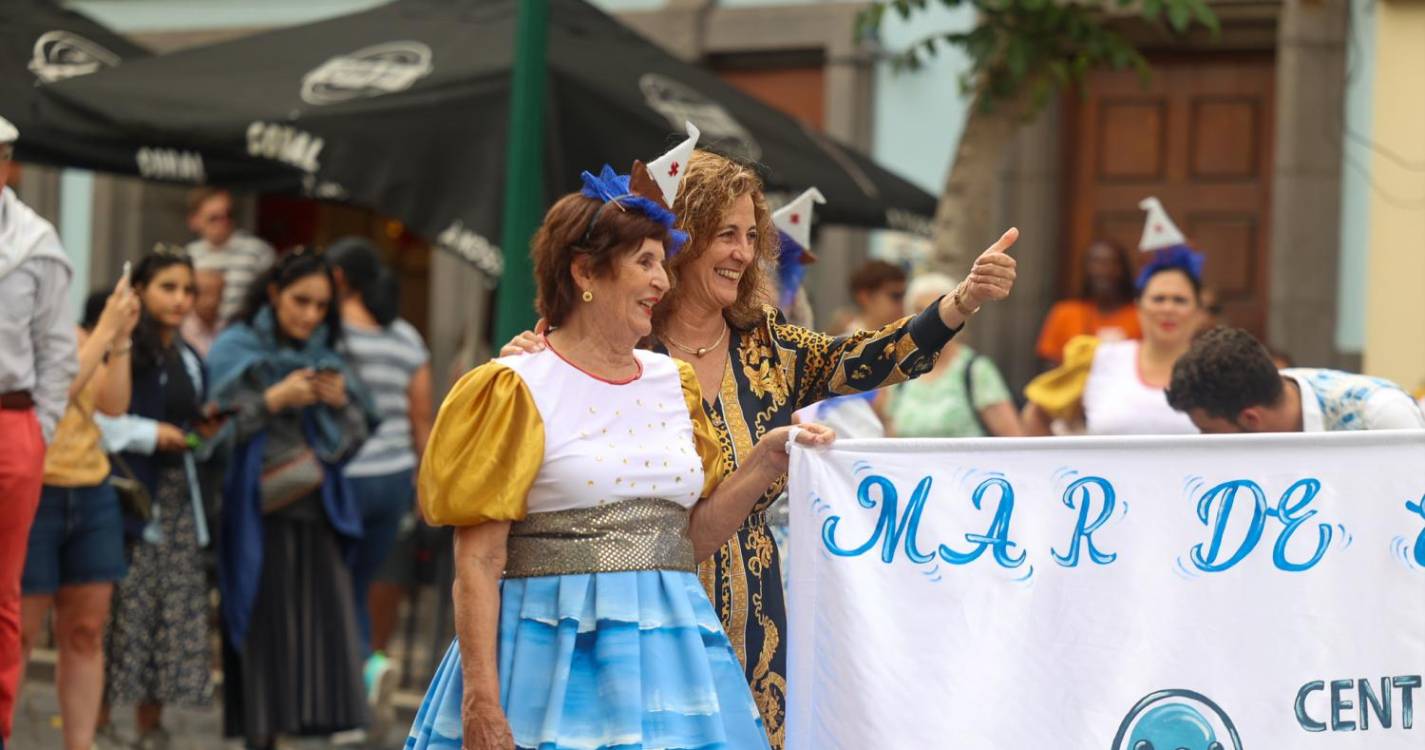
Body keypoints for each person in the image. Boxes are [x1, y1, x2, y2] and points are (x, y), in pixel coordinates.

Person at [503, 147, 1021, 748]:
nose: (744, 253)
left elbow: (864, 357)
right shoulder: (623, 342)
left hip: (756, 622)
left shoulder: (768, 345)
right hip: (638, 613)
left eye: (752, 236)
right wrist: (531, 357)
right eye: (726, 234)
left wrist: (961, 302)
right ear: (681, 237)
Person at [406, 149, 835, 750]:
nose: (664, 280)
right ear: (585, 273)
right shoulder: (513, 386)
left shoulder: (672, 383)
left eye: (664, 262)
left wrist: (765, 458)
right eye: (646, 262)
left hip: (671, 667)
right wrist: (481, 698)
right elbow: (477, 561)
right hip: (548, 667)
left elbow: (688, 542)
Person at [208, 250, 378, 750]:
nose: (310, 315)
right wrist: (271, 401)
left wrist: (341, 403)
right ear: (273, 293)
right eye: (300, 300)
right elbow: (208, 436)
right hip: (255, 517)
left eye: (321, 306)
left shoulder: (328, 355)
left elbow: (351, 439)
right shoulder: (235, 348)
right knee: (263, 643)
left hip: (318, 515)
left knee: (316, 649)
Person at [100, 251, 221, 750]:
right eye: (168, 287)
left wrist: (200, 429)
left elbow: (188, 418)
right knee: (118, 615)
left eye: (188, 290)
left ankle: (151, 727)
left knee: (167, 615)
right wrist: (154, 434)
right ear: (141, 291)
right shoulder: (122, 346)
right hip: (127, 498)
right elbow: (101, 419)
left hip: (177, 499)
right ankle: (98, 724)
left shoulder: (188, 355)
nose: (180, 299)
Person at [17, 283, 138, 750]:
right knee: (20, 633)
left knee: (86, 631)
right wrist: (105, 330)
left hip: (91, 491)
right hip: (34, 492)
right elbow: (56, 392)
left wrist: (120, 340)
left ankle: (80, 745)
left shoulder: (76, 335)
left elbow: (114, 403)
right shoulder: (16, 338)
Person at [326, 236, 433, 723]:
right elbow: (421, 420)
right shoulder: (407, 338)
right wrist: (425, 486)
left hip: (343, 477)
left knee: (335, 585)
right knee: (377, 578)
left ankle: (348, 681)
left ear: (339, 278)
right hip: (393, 478)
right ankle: (372, 662)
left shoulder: (332, 335)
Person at [0, 114, 78, 749]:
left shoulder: (36, 241)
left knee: (4, 592)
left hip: (10, 420)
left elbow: (58, 352)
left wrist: (36, 433)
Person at [1022, 200, 1203, 437]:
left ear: (1198, 311)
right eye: (1158, 299)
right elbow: (1037, 414)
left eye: (1179, 300)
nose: (1168, 308)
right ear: (1139, 307)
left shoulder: (1214, 369)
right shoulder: (1096, 359)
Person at [1166, 326, 1425, 432]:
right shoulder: (1260, 388)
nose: (1203, 441)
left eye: (1209, 431)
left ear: (1250, 419)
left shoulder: (1380, 415)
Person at [878, 273, 1022, 438]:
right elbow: (889, 437)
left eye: (936, 312)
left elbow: (1014, 440)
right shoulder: (899, 370)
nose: (928, 321)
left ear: (957, 316)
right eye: (919, 311)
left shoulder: (976, 370)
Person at [1035, 239, 1140, 367]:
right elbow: (1049, 363)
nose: (1102, 270)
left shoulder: (1141, 315)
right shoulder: (1064, 312)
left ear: (1123, 269)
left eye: (1110, 263)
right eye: (1095, 262)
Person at [184, 188, 275, 325]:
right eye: (214, 218)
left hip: (244, 330)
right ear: (194, 220)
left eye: (228, 215)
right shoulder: (188, 255)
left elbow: (270, 300)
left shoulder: (258, 251)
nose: (223, 222)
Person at [845, 259, 908, 332]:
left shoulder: (903, 335)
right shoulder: (849, 338)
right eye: (895, 296)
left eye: (903, 296)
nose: (902, 304)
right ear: (864, 297)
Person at [180, 266, 225, 357]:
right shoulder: (181, 328)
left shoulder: (226, 326)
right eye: (205, 293)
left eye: (217, 293)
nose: (211, 301)